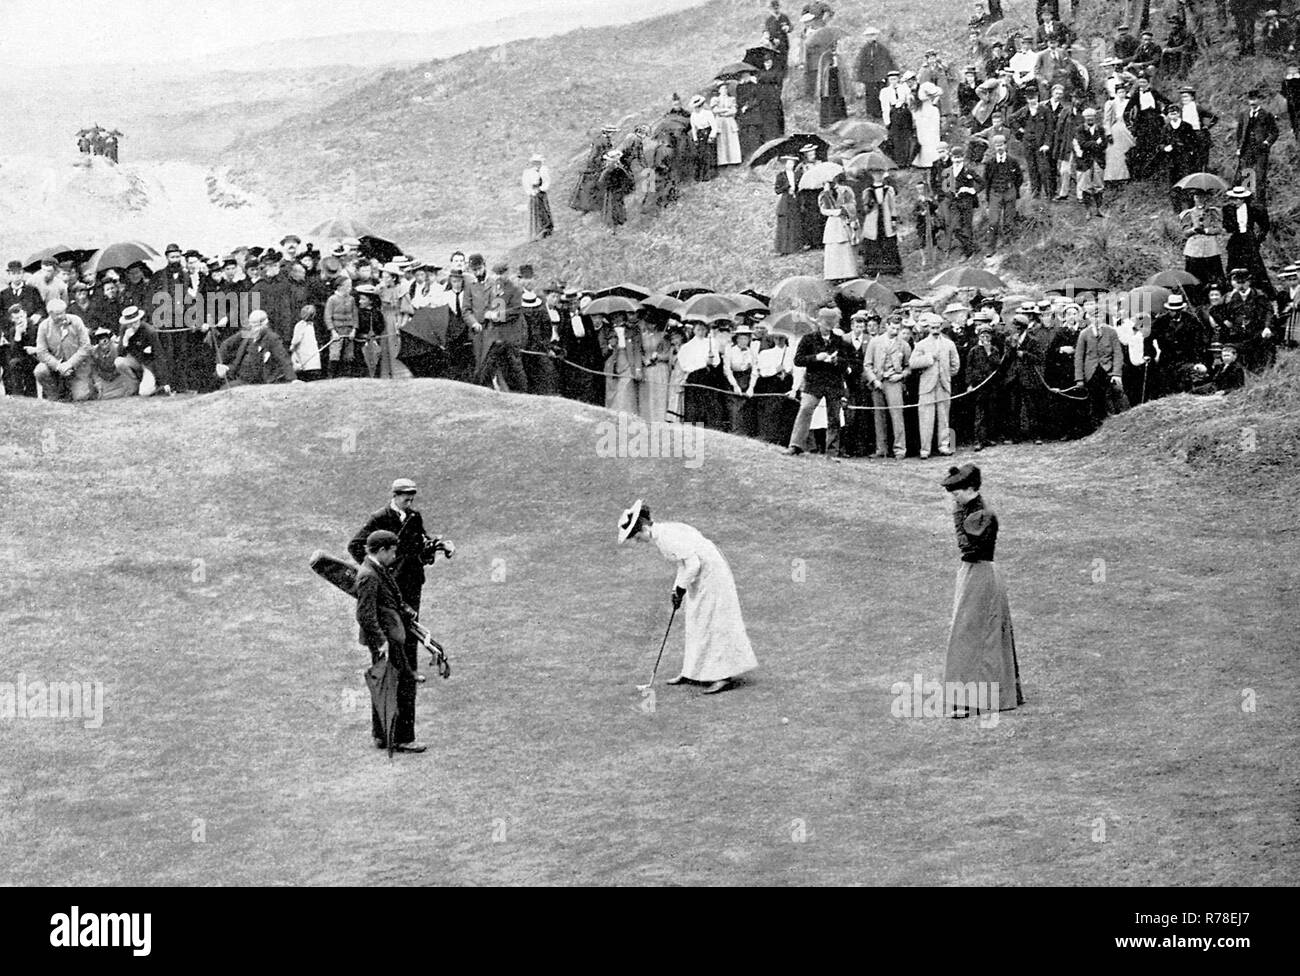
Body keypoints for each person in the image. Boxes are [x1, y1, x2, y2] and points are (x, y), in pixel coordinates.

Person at [618, 500, 757, 695]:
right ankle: (692, 671)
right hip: (703, 575)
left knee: (713, 621)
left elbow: (693, 565)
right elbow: (682, 564)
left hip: (712, 575)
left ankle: (723, 676)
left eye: (637, 536)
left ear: (643, 528)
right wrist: (676, 589)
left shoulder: (666, 536)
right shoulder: (662, 535)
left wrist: (681, 589)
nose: (637, 540)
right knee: (695, 620)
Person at [939, 464, 1023, 719]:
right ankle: (979, 696)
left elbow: (969, 549)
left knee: (970, 634)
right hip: (972, 574)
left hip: (981, 574)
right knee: (970, 633)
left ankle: (969, 700)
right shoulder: (969, 510)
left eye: (957, 491)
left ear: (971, 489)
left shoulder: (981, 515)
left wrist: (958, 519)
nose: (954, 496)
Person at [353, 529, 424, 753]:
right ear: (382, 550)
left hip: (388, 637)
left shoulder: (375, 568)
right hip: (385, 640)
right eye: (392, 551)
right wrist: (381, 641)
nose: (394, 556)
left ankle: (382, 736)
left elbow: (389, 598)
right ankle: (401, 738)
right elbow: (364, 614)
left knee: (386, 685)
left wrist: (405, 609)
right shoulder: (369, 575)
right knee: (401, 685)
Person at [785, 306, 848, 457]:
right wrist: (816, 358)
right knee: (805, 410)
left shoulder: (839, 341)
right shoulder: (808, 339)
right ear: (818, 323)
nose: (827, 328)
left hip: (834, 384)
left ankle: (832, 451)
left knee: (834, 417)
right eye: (825, 324)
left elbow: (846, 362)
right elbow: (798, 360)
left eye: (830, 325)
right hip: (814, 383)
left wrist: (836, 360)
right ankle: (795, 445)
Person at [909, 313, 961, 458]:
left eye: (938, 327)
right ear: (928, 328)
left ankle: (944, 446)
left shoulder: (949, 344)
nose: (935, 330)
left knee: (944, 417)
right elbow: (912, 363)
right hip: (927, 386)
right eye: (932, 328)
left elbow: (955, 363)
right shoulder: (922, 344)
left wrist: (947, 374)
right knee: (926, 418)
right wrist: (929, 359)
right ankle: (925, 449)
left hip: (943, 385)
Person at [1073, 309, 1127, 432]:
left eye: (1100, 316)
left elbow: (1118, 354)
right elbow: (1079, 357)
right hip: (1091, 372)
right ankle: (1096, 429)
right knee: (1094, 401)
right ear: (1089, 318)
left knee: (1110, 398)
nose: (1097, 320)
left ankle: (1112, 427)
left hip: (1107, 371)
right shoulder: (1084, 334)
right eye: (1093, 317)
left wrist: (1117, 373)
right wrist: (1079, 378)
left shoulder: (1111, 332)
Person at [865, 316, 910, 457]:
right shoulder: (875, 343)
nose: (895, 331)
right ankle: (881, 449)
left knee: (897, 417)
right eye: (893, 327)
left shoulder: (904, 345)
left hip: (894, 383)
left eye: (898, 328)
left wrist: (901, 376)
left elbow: (909, 367)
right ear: (886, 326)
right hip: (878, 383)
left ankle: (900, 450)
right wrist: (874, 380)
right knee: (879, 417)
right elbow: (867, 365)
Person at [215, 309, 296, 387]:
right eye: (251, 326)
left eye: (256, 326)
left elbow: (283, 359)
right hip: (242, 378)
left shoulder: (271, 338)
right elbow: (226, 345)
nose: (253, 330)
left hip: (259, 382)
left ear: (265, 324)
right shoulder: (248, 333)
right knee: (224, 390)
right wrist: (220, 364)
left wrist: (293, 379)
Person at [33, 299, 92, 401]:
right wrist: (58, 366)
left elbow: (86, 347)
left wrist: (69, 364)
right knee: (40, 370)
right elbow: (41, 352)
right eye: (57, 314)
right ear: (50, 314)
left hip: (78, 367)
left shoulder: (76, 321)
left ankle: (81, 389)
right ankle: (54, 396)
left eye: (62, 313)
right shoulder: (43, 326)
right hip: (56, 368)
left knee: (81, 396)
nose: (61, 316)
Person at [1222, 185, 1272, 297]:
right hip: (1236, 239)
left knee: (1255, 265)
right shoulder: (1228, 210)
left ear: (1243, 199)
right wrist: (1234, 223)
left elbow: (1265, 225)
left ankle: (1259, 291)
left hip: (1249, 239)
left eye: (1238, 199)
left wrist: (1258, 239)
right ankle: (1233, 290)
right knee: (1233, 265)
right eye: (1234, 199)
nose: (1235, 201)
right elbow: (1227, 227)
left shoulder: (1253, 209)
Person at [1235, 88, 1278, 207]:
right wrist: (1239, 147)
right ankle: (1246, 203)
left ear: (1259, 100)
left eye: (1255, 99)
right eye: (1250, 100)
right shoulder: (1244, 115)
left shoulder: (1267, 114)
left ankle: (1260, 204)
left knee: (1260, 177)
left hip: (1261, 150)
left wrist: (1266, 142)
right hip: (1247, 149)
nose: (1252, 102)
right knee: (1246, 175)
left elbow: (1274, 132)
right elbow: (1239, 132)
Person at [983, 134, 1024, 254]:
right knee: (993, 221)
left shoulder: (1013, 162)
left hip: (1009, 192)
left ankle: (1008, 246)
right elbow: (987, 181)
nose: (999, 148)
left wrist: (1013, 191)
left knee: (1008, 221)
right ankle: (991, 247)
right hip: (995, 193)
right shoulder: (990, 163)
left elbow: (1019, 178)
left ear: (1005, 145)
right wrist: (988, 199)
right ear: (994, 147)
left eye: (1001, 145)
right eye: (997, 145)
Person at [1180, 189, 1225, 295]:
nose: (1200, 200)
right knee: (1193, 276)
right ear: (1194, 198)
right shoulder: (1188, 213)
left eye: (1202, 197)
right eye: (1197, 197)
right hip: (1194, 249)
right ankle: (1195, 298)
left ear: (1206, 198)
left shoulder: (1214, 212)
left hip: (1210, 248)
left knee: (1214, 275)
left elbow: (1219, 229)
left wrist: (1206, 230)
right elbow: (1185, 233)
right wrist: (1194, 230)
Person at [859, 170, 902, 274]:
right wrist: (869, 204)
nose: (878, 176)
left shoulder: (889, 190)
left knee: (888, 242)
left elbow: (893, 207)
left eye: (880, 174)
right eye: (875, 174)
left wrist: (893, 220)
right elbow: (865, 210)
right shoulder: (867, 191)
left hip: (885, 220)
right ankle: (873, 269)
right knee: (873, 243)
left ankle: (890, 268)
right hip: (873, 222)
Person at [944, 145, 983, 258]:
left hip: (967, 201)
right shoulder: (948, 171)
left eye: (959, 157)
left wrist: (971, 190)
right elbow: (944, 186)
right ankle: (973, 247)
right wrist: (950, 193)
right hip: (954, 202)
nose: (957, 160)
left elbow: (982, 183)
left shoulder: (968, 170)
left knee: (967, 226)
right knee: (955, 227)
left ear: (963, 158)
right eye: (955, 157)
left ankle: (968, 253)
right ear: (951, 158)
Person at [818, 174, 858, 281]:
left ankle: (848, 272)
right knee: (833, 245)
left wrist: (846, 209)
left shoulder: (846, 190)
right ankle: (834, 274)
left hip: (843, 221)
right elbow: (823, 210)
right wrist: (836, 211)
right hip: (833, 222)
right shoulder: (823, 194)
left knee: (844, 244)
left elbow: (853, 204)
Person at [853, 26, 896, 118]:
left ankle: (882, 113)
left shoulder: (881, 48)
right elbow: (861, 63)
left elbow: (888, 60)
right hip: (869, 77)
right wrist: (860, 77)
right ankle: (872, 114)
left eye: (873, 35)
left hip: (880, 76)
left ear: (876, 36)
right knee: (870, 96)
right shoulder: (864, 49)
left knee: (881, 94)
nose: (871, 38)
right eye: (869, 36)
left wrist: (888, 73)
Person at [570, 125, 615, 212]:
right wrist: (605, 158)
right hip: (595, 166)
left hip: (601, 164)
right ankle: (588, 206)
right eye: (612, 132)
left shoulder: (606, 139)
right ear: (607, 132)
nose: (613, 134)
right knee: (593, 186)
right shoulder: (599, 141)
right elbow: (594, 157)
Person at [773, 154, 803, 255]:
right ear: (785, 164)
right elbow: (777, 190)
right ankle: (783, 249)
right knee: (785, 224)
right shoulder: (781, 175)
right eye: (789, 163)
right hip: (786, 200)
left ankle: (795, 247)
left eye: (793, 163)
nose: (791, 165)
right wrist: (787, 187)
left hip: (795, 200)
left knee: (795, 223)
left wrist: (796, 190)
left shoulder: (797, 175)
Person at [522, 153, 554, 240]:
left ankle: (546, 228)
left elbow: (546, 181)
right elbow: (526, 184)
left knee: (544, 209)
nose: (537, 164)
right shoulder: (529, 172)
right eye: (535, 162)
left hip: (541, 193)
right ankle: (537, 232)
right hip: (534, 194)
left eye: (538, 162)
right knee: (536, 211)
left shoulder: (543, 170)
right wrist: (532, 192)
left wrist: (542, 189)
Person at [711, 83, 742, 166]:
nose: (724, 90)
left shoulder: (731, 99)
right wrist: (726, 109)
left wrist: (725, 113)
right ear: (719, 90)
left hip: (729, 121)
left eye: (725, 89)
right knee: (722, 140)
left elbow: (734, 110)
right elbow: (715, 110)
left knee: (732, 139)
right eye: (722, 89)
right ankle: (723, 160)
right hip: (720, 122)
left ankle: (734, 159)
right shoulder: (715, 99)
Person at [689, 96, 719, 182]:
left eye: (698, 106)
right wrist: (695, 139)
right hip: (700, 134)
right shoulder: (693, 115)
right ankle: (700, 176)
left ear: (701, 105)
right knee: (700, 155)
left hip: (708, 133)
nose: (697, 108)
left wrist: (711, 136)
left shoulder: (708, 113)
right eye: (695, 107)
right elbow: (694, 128)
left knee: (709, 154)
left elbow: (714, 126)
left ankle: (710, 174)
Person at [291, 305, 323, 381]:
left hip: (307, 354)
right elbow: (297, 339)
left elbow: (296, 340)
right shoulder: (306, 326)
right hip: (308, 354)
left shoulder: (302, 325)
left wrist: (292, 346)